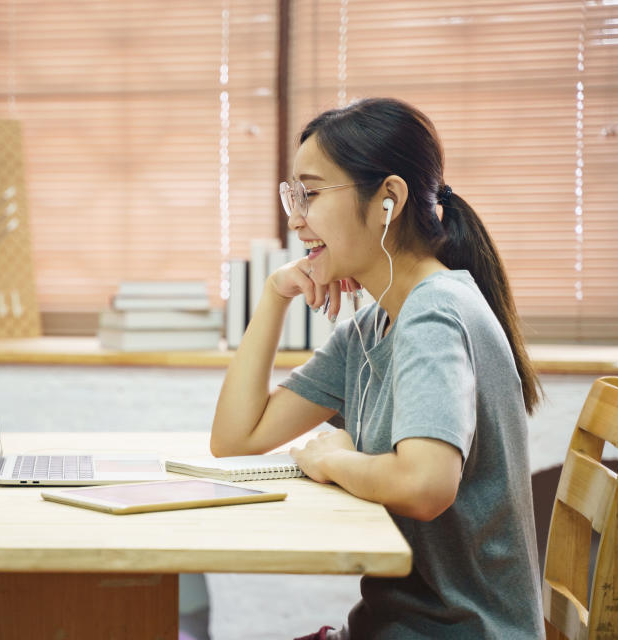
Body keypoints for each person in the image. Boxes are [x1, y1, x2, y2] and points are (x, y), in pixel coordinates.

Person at [210, 97, 544, 639]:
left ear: (388, 199)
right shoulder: (374, 327)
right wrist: (274, 294)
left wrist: (336, 459)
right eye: (293, 196)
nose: (295, 219)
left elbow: (425, 485)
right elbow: (235, 437)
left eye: (311, 195)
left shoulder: (434, 312)